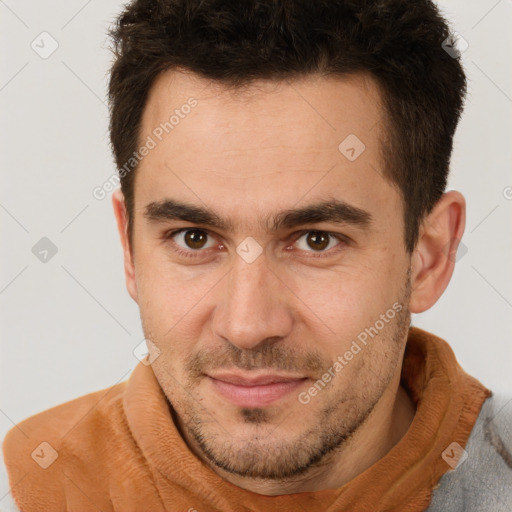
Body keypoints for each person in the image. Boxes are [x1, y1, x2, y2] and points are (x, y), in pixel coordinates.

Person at [2, 0, 511, 510]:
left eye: (316, 240)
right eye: (194, 238)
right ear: (129, 247)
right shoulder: (26, 489)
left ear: (428, 256)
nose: (247, 325)